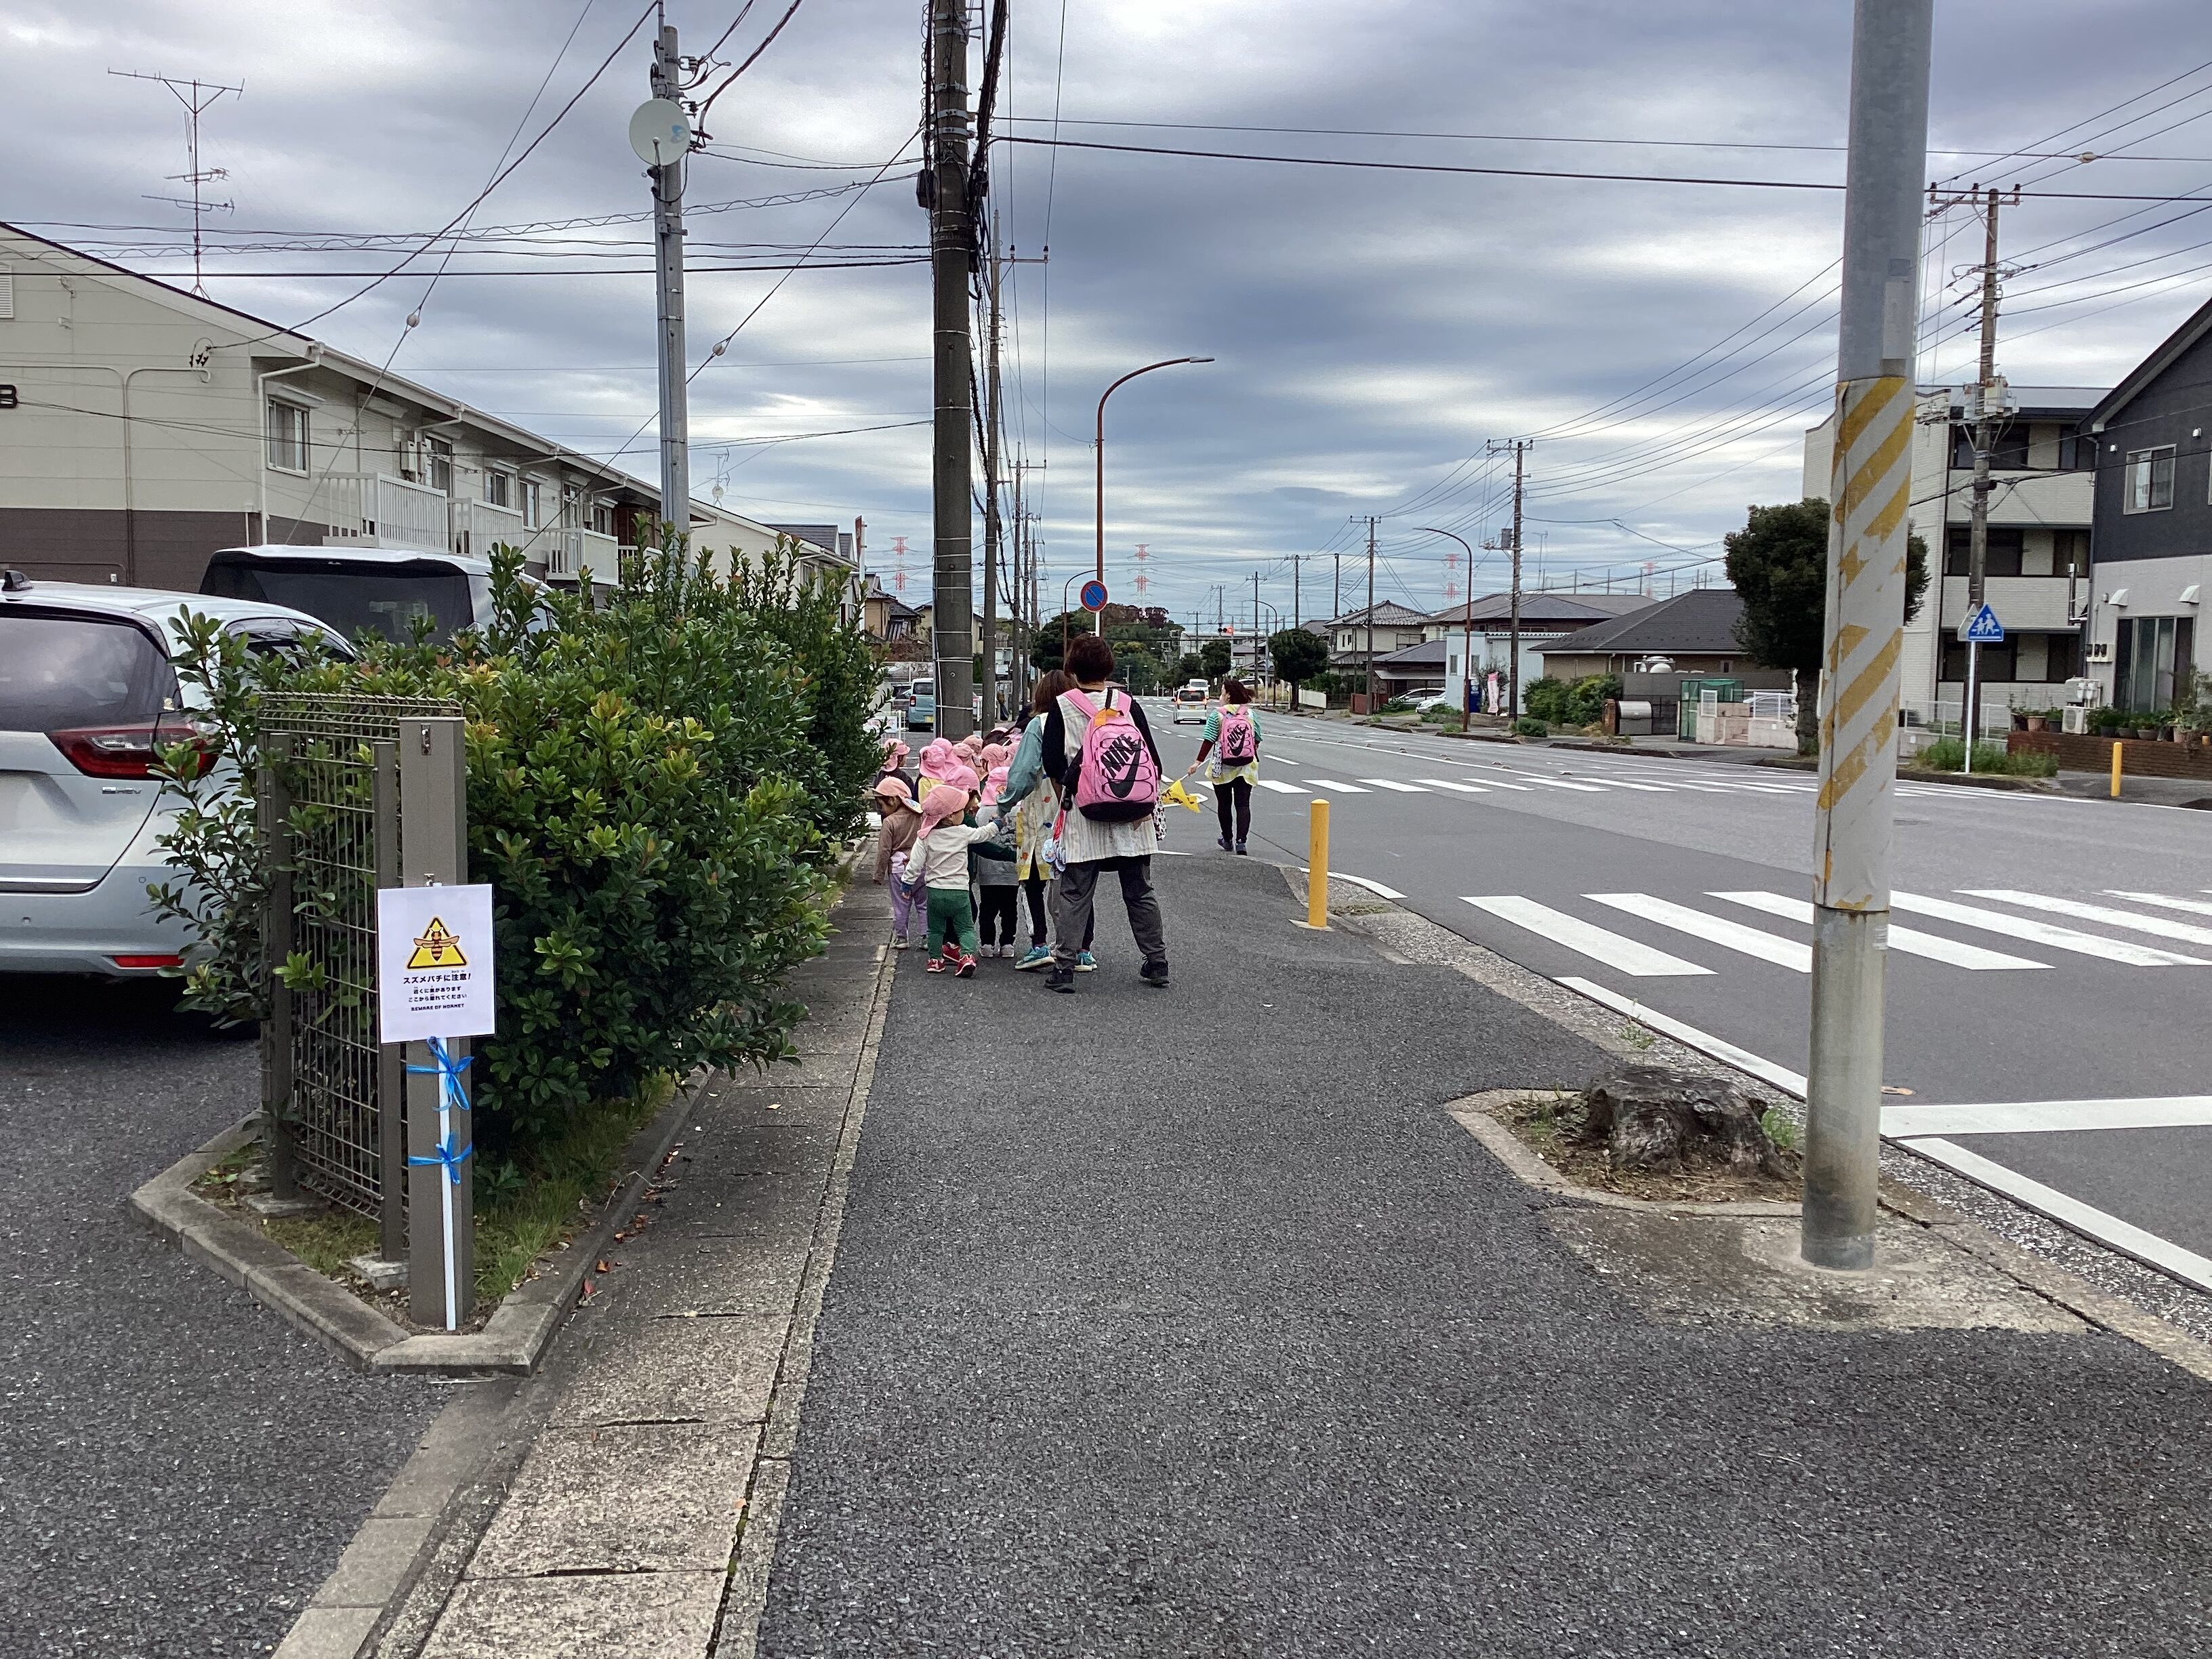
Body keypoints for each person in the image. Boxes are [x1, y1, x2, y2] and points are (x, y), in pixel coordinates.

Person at [1038, 634, 1168, 992]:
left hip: (1084, 816)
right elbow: (1153, 762)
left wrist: (1070, 799)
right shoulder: (1128, 705)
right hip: (1132, 816)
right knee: (1140, 891)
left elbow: (1053, 764)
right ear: (1109, 668)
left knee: (1075, 893)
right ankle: (1157, 962)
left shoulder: (1062, 707)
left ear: (1072, 670)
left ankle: (1065, 968)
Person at [912, 765, 1008, 977]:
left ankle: (935, 960)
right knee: (965, 927)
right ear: (949, 816)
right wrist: (997, 825)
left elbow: (915, 863)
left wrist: (906, 883)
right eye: (959, 810)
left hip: (935, 892)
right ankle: (966, 956)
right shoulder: (963, 830)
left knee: (935, 929)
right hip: (959, 891)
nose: (963, 812)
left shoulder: (926, 835)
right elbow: (983, 836)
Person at [1187, 676, 1263, 855]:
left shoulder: (1218, 715)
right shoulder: (1250, 714)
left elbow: (1208, 740)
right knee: (1243, 805)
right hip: (1246, 766)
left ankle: (1227, 839)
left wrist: (1197, 763)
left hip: (1223, 766)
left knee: (1224, 804)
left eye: (1222, 693)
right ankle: (1241, 842)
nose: (1220, 697)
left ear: (1228, 695)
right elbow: (1257, 738)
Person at [872, 776, 924, 949]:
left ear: (893, 800)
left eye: (882, 805)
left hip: (898, 869)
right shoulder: (920, 816)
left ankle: (902, 938)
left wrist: (879, 874)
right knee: (924, 905)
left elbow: (884, 850)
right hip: (921, 867)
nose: (882, 810)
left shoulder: (890, 822)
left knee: (901, 905)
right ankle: (926, 937)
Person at [973, 765, 1020, 956]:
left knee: (987, 908)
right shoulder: (1018, 810)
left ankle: (987, 944)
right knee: (1010, 908)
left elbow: (976, 841)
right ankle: (1007, 943)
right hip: (1013, 868)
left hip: (988, 869)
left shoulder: (982, 812)